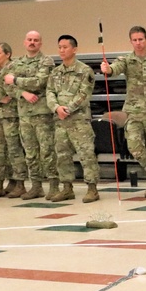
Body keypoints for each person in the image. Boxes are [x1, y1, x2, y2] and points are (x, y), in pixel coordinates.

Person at [100, 26, 146, 198]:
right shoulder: (127, 60)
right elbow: (114, 69)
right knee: (134, 146)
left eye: (141, 39)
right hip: (133, 111)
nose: (138, 43)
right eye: (135, 40)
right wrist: (107, 69)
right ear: (131, 41)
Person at [45, 35, 101, 202]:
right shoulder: (55, 72)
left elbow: (84, 94)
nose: (62, 50)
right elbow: (49, 92)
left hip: (79, 120)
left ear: (74, 49)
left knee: (86, 154)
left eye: (65, 47)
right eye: (59, 47)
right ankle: (67, 188)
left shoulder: (85, 71)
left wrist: (67, 109)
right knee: (62, 155)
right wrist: (56, 108)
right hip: (61, 121)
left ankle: (92, 188)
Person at [3, 31, 56, 200]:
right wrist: (23, 93)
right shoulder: (16, 64)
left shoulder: (46, 61)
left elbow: (40, 81)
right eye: (29, 40)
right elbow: (5, 84)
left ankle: (54, 185)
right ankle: (36, 186)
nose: (32, 42)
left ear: (40, 43)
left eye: (36, 40)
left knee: (47, 151)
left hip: (42, 114)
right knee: (30, 152)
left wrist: (17, 81)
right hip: (24, 114)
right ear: (24, 42)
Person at [0, 44, 27, 199]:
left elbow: (11, 90)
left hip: (12, 114)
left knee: (14, 150)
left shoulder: (13, 68)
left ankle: (19, 183)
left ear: (8, 54)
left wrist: (2, 95)